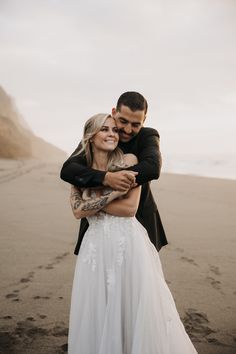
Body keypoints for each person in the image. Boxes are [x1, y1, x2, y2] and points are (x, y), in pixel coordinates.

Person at [67, 113, 197, 353]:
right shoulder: (79, 169)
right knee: (96, 306)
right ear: (91, 136)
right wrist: (111, 192)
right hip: (94, 246)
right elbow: (76, 211)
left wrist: (92, 199)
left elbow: (128, 209)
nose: (113, 134)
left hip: (126, 243)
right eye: (105, 129)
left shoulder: (128, 159)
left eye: (114, 130)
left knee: (131, 305)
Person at [60, 91, 167, 255]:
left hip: (140, 219)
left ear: (144, 121)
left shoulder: (147, 135)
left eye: (135, 124)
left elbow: (152, 167)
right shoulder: (100, 135)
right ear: (114, 112)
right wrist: (106, 178)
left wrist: (95, 197)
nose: (127, 129)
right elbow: (68, 169)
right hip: (98, 225)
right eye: (123, 121)